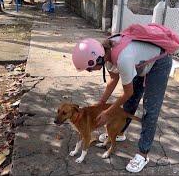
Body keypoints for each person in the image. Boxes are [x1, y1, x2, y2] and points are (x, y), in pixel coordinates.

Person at [72, 32, 173, 172]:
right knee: (130, 104)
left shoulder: (122, 58)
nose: (89, 72)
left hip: (159, 63)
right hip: (140, 64)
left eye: (89, 68)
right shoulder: (105, 52)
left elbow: (127, 92)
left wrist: (108, 112)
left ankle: (143, 154)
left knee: (150, 110)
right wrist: (100, 104)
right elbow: (113, 80)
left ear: (96, 59)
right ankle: (118, 132)